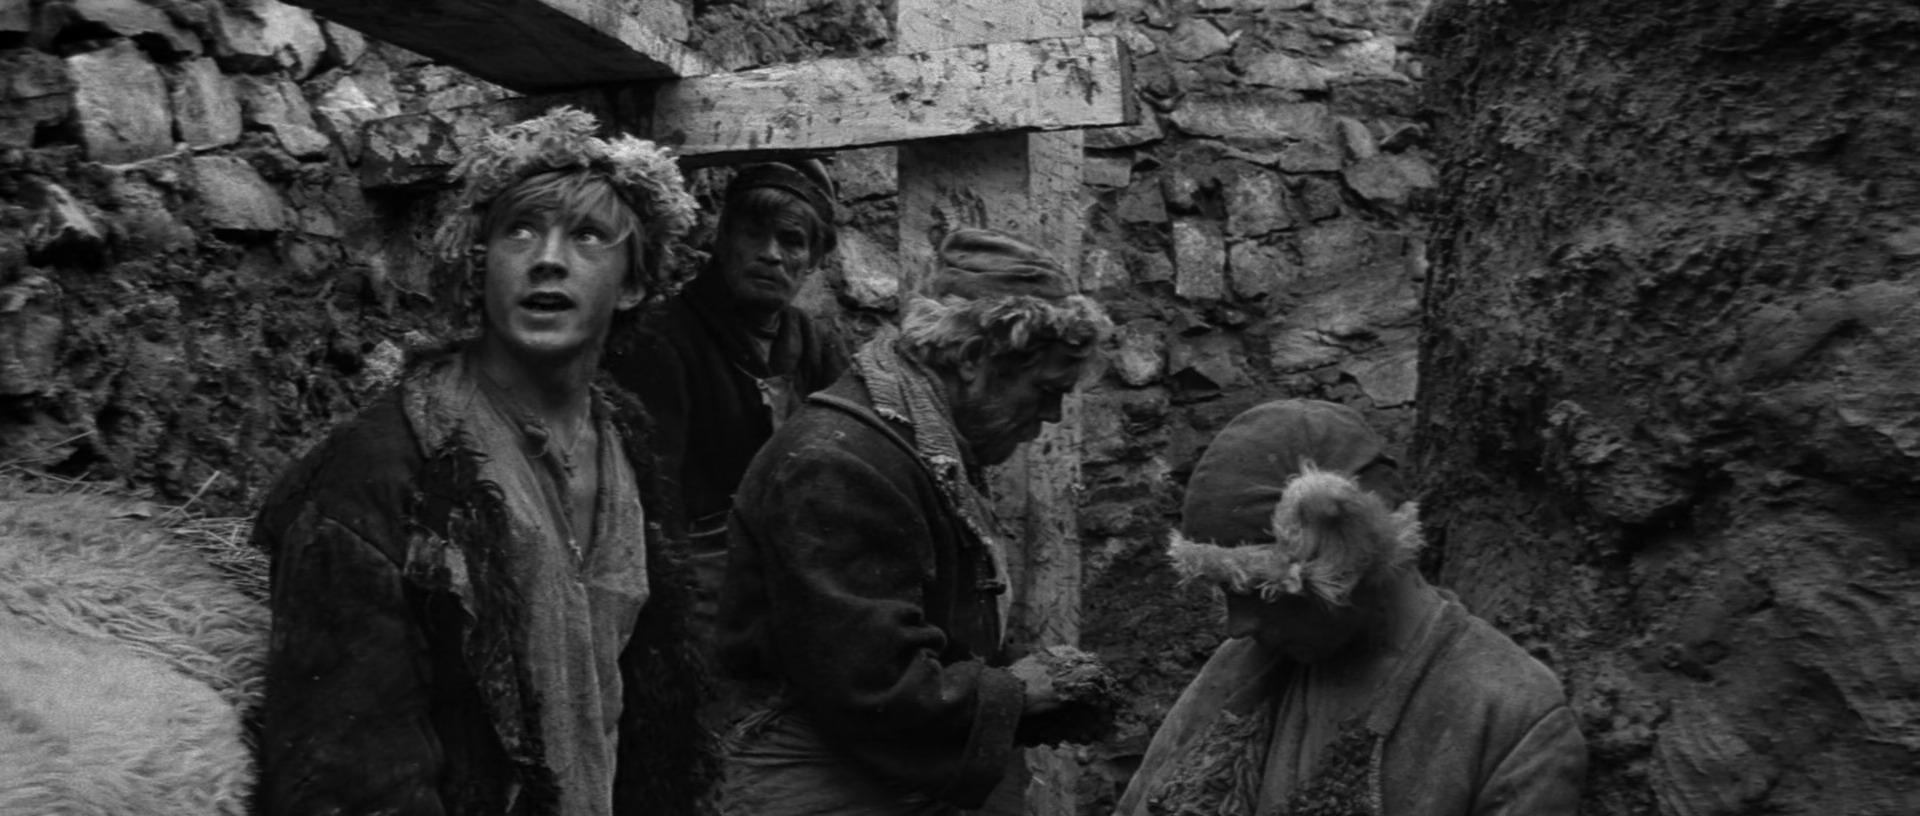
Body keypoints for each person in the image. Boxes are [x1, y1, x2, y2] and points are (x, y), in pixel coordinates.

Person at [251, 107, 715, 816]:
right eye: (519, 231)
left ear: (634, 283)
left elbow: (650, 701)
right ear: (480, 264)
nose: (547, 259)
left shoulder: (626, 442)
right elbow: (349, 769)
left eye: (588, 235)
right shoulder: (384, 470)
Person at [713, 227, 1116, 815]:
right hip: (817, 787)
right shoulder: (838, 463)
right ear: (973, 359)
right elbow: (870, 683)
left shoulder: (918, 447)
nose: (1053, 414)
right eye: (1045, 389)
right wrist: (1019, 691)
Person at [1114, 399, 1587, 816]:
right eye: (1228, 594)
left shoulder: (1509, 714)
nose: (1238, 627)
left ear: (1355, 558)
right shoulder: (1242, 671)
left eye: (1263, 591)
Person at [602, 159, 849, 649]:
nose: (770, 255)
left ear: (813, 260)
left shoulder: (812, 342)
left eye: (791, 241)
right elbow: (656, 500)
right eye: (752, 234)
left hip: (796, 572)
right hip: (705, 591)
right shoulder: (664, 338)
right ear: (721, 238)